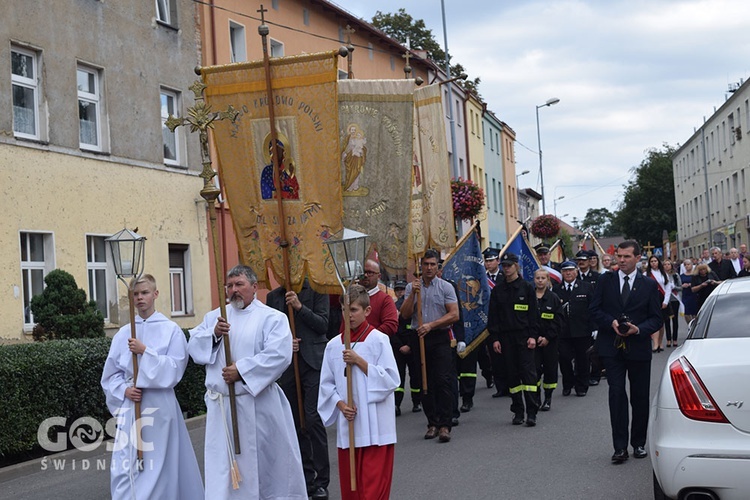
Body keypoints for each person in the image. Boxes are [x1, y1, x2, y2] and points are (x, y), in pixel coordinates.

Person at [188, 265, 306, 500]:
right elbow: (193, 347)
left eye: (239, 284)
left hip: (258, 404)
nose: (234, 290)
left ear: (254, 287)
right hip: (222, 409)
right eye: (229, 286)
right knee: (223, 467)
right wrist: (214, 335)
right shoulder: (215, 317)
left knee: (266, 466)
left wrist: (241, 370)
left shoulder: (272, 317)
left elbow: (279, 354)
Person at [101, 274, 203, 500]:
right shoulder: (123, 333)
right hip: (132, 406)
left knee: (160, 463)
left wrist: (145, 352)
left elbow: (175, 369)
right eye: (136, 294)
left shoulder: (171, 330)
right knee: (125, 465)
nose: (140, 298)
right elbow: (111, 375)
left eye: (145, 293)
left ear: (155, 294)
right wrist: (124, 390)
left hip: (160, 408)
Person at [318, 284, 400, 500]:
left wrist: (360, 362)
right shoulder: (334, 345)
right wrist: (341, 406)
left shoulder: (379, 340)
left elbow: (392, 379)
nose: (349, 315)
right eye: (345, 310)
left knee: (372, 492)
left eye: (353, 310)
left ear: (367, 311)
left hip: (376, 430)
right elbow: (326, 385)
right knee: (351, 492)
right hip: (350, 427)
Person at [591, 240, 663, 464]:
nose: (621, 260)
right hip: (611, 347)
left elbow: (656, 319)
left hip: (638, 347)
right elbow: (594, 310)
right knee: (616, 393)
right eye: (619, 256)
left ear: (638, 258)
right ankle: (619, 447)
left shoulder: (648, 285)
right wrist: (610, 322)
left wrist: (639, 329)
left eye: (626, 257)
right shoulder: (606, 280)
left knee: (640, 397)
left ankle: (638, 443)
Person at [266, 279, 331, 500]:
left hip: (312, 362)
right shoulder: (273, 297)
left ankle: (322, 480)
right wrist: (284, 343)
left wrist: (300, 308)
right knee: (294, 421)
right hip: (288, 366)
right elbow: (270, 332)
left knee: (312, 419)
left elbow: (323, 324)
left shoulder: (317, 289)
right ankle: (305, 478)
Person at [400, 249, 460, 442]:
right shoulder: (412, 287)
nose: (429, 268)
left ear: (437, 267)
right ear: (421, 266)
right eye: (426, 264)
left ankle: (445, 424)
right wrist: (413, 295)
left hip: (439, 336)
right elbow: (405, 314)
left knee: (442, 380)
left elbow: (454, 314)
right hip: (419, 337)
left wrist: (431, 325)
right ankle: (432, 423)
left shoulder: (446, 287)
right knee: (424, 381)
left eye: (433, 264)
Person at [487, 253, 540, 426]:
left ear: (516, 266)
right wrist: (495, 338)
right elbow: (493, 317)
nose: (506, 268)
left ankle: (532, 412)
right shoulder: (498, 290)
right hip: (506, 338)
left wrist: (533, 336)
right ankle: (518, 411)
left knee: (529, 375)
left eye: (509, 265)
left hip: (524, 337)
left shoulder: (526, 288)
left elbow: (534, 315)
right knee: (512, 376)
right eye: (504, 265)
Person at [553, 260, 595, 397]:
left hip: (582, 330)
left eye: (571, 270)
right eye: (565, 271)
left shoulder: (586, 287)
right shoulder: (556, 289)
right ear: (562, 273)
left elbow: (593, 309)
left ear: (576, 271)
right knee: (564, 359)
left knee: (583, 360)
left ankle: (581, 385)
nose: (568, 273)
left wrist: (595, 327)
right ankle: (568, 383)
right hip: (563, 331)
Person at [391, 280, 422, 415]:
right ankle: (396, 404)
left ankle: (417, 402)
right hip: (398, 347)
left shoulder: (414, 304)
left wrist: (410, 345)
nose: (400, 293)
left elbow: (415, 327)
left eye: (402, 290)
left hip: (413, 345)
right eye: (398, 290)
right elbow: (392, 330)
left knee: (415, 375)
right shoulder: (393, 308)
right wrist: (400, 346)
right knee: (398, 377)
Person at [533, 268, 562, 411]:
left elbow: (558, 321)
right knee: (535, 370)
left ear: (548, 280)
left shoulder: (554, 298)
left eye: (543, 278)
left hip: (550, 342)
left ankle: (548, 398)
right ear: (534, 279)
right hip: (533, 342)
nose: (540, 280)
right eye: (537, 278)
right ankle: (536, 398)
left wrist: (547, 337)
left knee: (550, 370)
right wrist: (534, 336)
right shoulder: (529, 297)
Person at [483, 247, 507, 397]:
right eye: (486, 261)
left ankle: (512, 385)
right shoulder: (481, 278)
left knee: (507, 356)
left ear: (498, 261)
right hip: (487, 319)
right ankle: (500, 387)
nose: (489, 263)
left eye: (491, 260)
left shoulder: (505, 277)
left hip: (504, 320)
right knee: (495, 356)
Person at [357, 259, 399, 337]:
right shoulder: (353, 297)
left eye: (370, 273)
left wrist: (368, 337)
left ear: (378, 276)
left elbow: (391, 325)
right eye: (363, 272)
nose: (366, 275)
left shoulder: (385, 299)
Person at [643, 255, 672, 353]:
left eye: (655, 261)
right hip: (651, 300)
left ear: (658, 262)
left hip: (662, 299)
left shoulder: (664, 274)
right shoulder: (646, 274)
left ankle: (660, 342)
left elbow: (668, 288)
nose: (654, 263)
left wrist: (666, 301)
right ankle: (655, 344)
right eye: (652, 261)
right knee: (654, 321)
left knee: (661, 322)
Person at [662, 260, 682, 348]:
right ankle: (668, 339)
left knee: (675, 320)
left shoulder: (675, 275)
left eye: (668, 264)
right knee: (666, 320)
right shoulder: (661, 276)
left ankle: (675, 339)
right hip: (665, 300)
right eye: (665, 264)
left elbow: (680, 287)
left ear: (671, 265)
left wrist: (674, 287)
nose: (666, 266)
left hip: (674, 299)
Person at [679, 259, 699, 326]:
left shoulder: (695, 275)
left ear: (691, 265)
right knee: (686, 313)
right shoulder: (681, 276)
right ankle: (689, 325)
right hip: (686, 295)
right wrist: (682, 286)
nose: (687, 266)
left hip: (694, 295)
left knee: (695, 313)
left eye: (688, 264)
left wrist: (692, 284)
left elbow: (698, 283)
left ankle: (695, 326)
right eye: (685, 265)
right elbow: (678, 286)